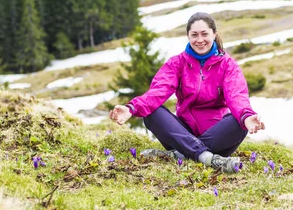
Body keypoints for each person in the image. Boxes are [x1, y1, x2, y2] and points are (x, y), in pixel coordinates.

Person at [109, 12, 265, 173]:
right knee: (152, 113)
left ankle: (182, 155)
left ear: (214, 34)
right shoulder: (177, 63)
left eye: (205, 34)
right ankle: (206, 157)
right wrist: (131, 108)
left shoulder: (228, 65)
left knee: (238, 122)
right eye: (194, 35)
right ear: (188, 36)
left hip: (216, 137)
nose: (200, 40)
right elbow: (158, 91)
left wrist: (246, 116)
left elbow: (236, 95)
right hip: (182, 134)